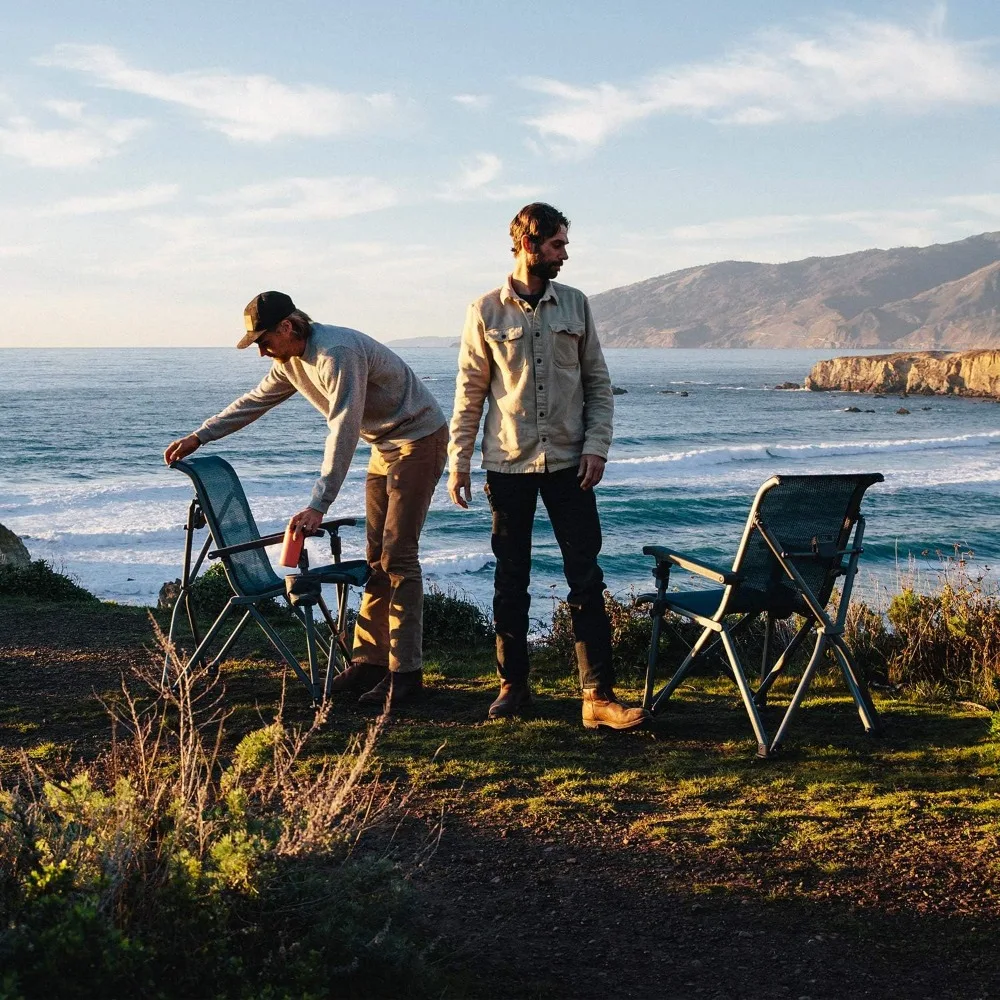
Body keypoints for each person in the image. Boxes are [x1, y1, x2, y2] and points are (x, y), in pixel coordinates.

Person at [164, 291, 447, 710]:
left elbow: (344, 428)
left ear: (288, 327)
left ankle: (406, 676)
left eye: (264, 341)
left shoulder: (336, 353)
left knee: (399, 559)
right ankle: (370, 663)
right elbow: (253, 402)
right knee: (376, 561)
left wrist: (320, 503)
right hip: (384, 446)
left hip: (416, 440)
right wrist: (199, 435)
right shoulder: (291, 362)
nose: (262, 352)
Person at [447, 204, 648, 730]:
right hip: (507, 463)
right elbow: (470, 393)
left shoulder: (577, 305)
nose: (565, 254)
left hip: (569, 464)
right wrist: (459, 461)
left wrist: (597, 446)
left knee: (586, 577)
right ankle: (513, 686)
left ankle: (597, 697)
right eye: (557, 245)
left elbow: (598, 384)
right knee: (511, 579)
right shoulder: (484, 311)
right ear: (528, 245)